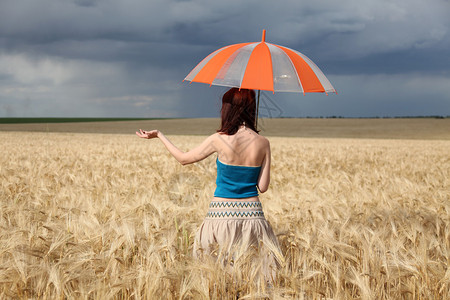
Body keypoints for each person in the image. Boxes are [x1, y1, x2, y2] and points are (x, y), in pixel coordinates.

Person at [136, 88, 281, 280]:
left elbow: (184, 159)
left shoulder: (218, 139)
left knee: (217, 278)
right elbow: (262, 187)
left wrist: (159, 135)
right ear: (252, 109)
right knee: (255, 279)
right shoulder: (263, 143)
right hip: (253, 217)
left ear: (228, 110)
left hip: (220, 216)